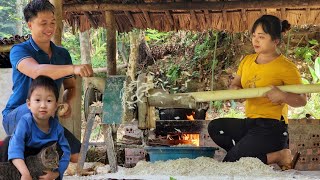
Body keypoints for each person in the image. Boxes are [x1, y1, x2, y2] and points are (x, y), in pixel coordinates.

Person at [208, 15, 307, 169]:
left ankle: (279, 155)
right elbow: (235, 84)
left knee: (231, 163)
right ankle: (244, 154)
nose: (255, 40)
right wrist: (236, 91)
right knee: (215, 127)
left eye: (261, 37)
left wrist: (283, 96)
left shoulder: (286, 67)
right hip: (250, 123)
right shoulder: (247, 61)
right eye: (254, 36)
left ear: (276, 40)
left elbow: (302, 100)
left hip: (272, 127)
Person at [2, 0, 93, 163]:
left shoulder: (62, 54)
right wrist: (73, 68)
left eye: (52, 22)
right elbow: (37, 71)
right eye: (43, 23)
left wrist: (67, 101)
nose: (50, 28)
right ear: (30, 25)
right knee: (36, 112)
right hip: (17, 115)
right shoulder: (19, 50)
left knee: (79, 157)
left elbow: (70, 87)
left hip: (48, 120)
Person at [8, 75, 70, 180]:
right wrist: (25, 174)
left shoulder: (57, 128)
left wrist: (56, 174)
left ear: (56, 106)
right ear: (29, 104)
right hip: (23, 163)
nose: (43, 105)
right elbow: (15, 148)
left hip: (45, 165)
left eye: (49, 101)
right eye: (37, 100)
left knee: (57, 149)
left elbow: (66, 153)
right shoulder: (25, 123)